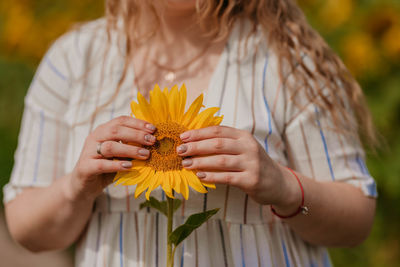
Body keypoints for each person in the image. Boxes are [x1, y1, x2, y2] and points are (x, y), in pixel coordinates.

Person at [4, 0, 377, 266]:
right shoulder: (73, 61)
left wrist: (285, 187)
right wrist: (76, 188)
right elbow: (27, 229)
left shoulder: (287, 60)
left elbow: (357, 218)